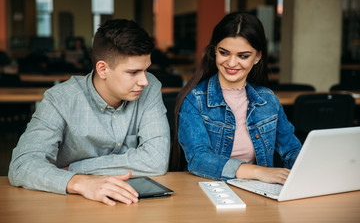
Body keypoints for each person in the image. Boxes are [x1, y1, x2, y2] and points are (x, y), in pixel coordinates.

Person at [9, 19, 170, 206]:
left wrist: (76, 169)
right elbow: (22, 165)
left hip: (131, 204)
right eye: (133, 72)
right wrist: (78, 182)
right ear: (103, 69)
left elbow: (156, 160)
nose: (145, 81)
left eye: (146, 70)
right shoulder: (61, 99)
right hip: (68, 206)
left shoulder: (150, 89)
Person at [173, 12, 302, 184]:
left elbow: (292, 149)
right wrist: (258, 171)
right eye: (224, 53)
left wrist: (309, 168)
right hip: (209, 189)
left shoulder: (268, 100)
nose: (232, 63)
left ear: (257, 57)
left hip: (258, 190)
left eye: (243, 56)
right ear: (215, 51)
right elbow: (199, 159)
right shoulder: (194, 100)